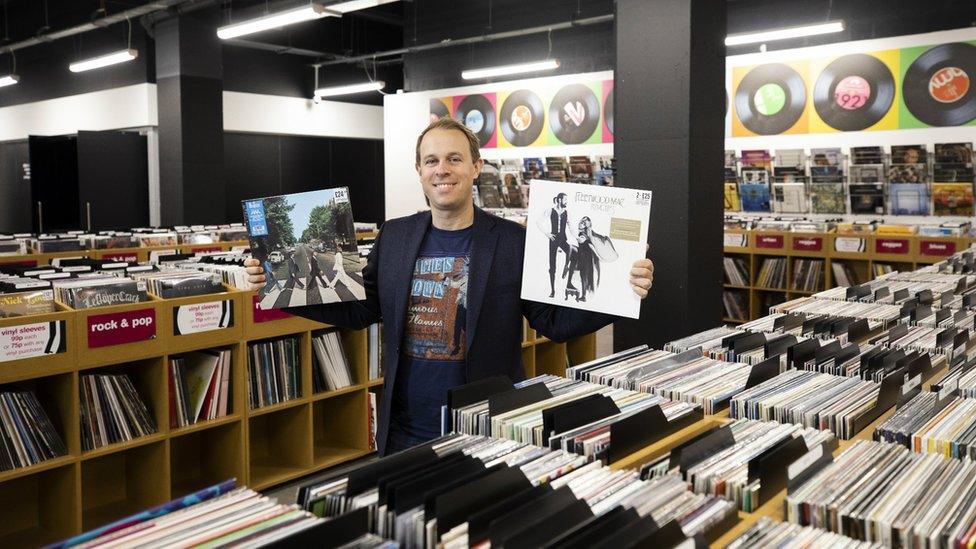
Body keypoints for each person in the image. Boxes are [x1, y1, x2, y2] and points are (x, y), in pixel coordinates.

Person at [244, 117, 654, 455]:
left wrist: (622, 293)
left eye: (455, 158)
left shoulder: (514, 241)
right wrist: (276, 289)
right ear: (420, 171)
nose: (443, 169)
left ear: (476, 167)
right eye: (432, 160)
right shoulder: (395, 236)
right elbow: (358, 309)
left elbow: (552, 322)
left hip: (486, 424)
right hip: (405, 429)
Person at [535, 192, 574, 298]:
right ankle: (553, 291)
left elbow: (571, 228)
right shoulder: (550, 210)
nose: (566, 202)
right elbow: (538, 221)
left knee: (571, 250)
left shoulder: (567, 212)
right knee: (552, 266)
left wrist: (577, 237)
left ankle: (566, 266)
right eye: (565, 200)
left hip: (563, 239)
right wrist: (547, 233)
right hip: (553, 239)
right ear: (560, 200)